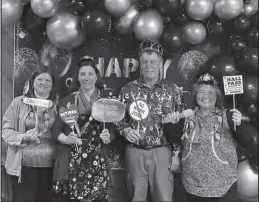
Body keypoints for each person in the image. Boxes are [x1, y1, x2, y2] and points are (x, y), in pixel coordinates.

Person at [117, 39, 185, 201]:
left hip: (162, 152)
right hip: (135, 152)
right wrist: (125, 130)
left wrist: (176, 155)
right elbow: (117, 118)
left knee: (164, 198)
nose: (149, 66)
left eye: (153, 62)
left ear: (161, 63)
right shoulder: (128, 90)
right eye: (145, 62)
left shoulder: (173, 90)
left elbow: (181, 127)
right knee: (136, 198)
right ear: (140, 64)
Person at [180, 73, 257, 202]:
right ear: (195, 95)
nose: (205, 96)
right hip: (193, 187)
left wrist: (240, 125)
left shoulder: (228, 116)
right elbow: (178, 140)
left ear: (217, 96)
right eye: (201, 92)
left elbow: (248, 141)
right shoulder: (188, 116)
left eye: (210, 92)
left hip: (223, 188)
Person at [52, 57, 115, 202]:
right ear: (78, 77)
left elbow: (112, 131)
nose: (86, 78)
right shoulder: (68, 100)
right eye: (82, 74)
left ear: (97, 76)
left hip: (97, 158)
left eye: (90, 74)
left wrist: (108, 136)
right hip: (74, 157)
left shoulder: (105, 100)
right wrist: (66, 139)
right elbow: (55, 130)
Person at [2, 65, 57, 202]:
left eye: (47, 80)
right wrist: (23, 137)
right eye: (40, 79)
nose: (43, 83)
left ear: (52, 85)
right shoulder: (18, 103)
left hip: (50, 169)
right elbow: (5, 132)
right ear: (32, 82)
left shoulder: (56, 106)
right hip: (23, 168)